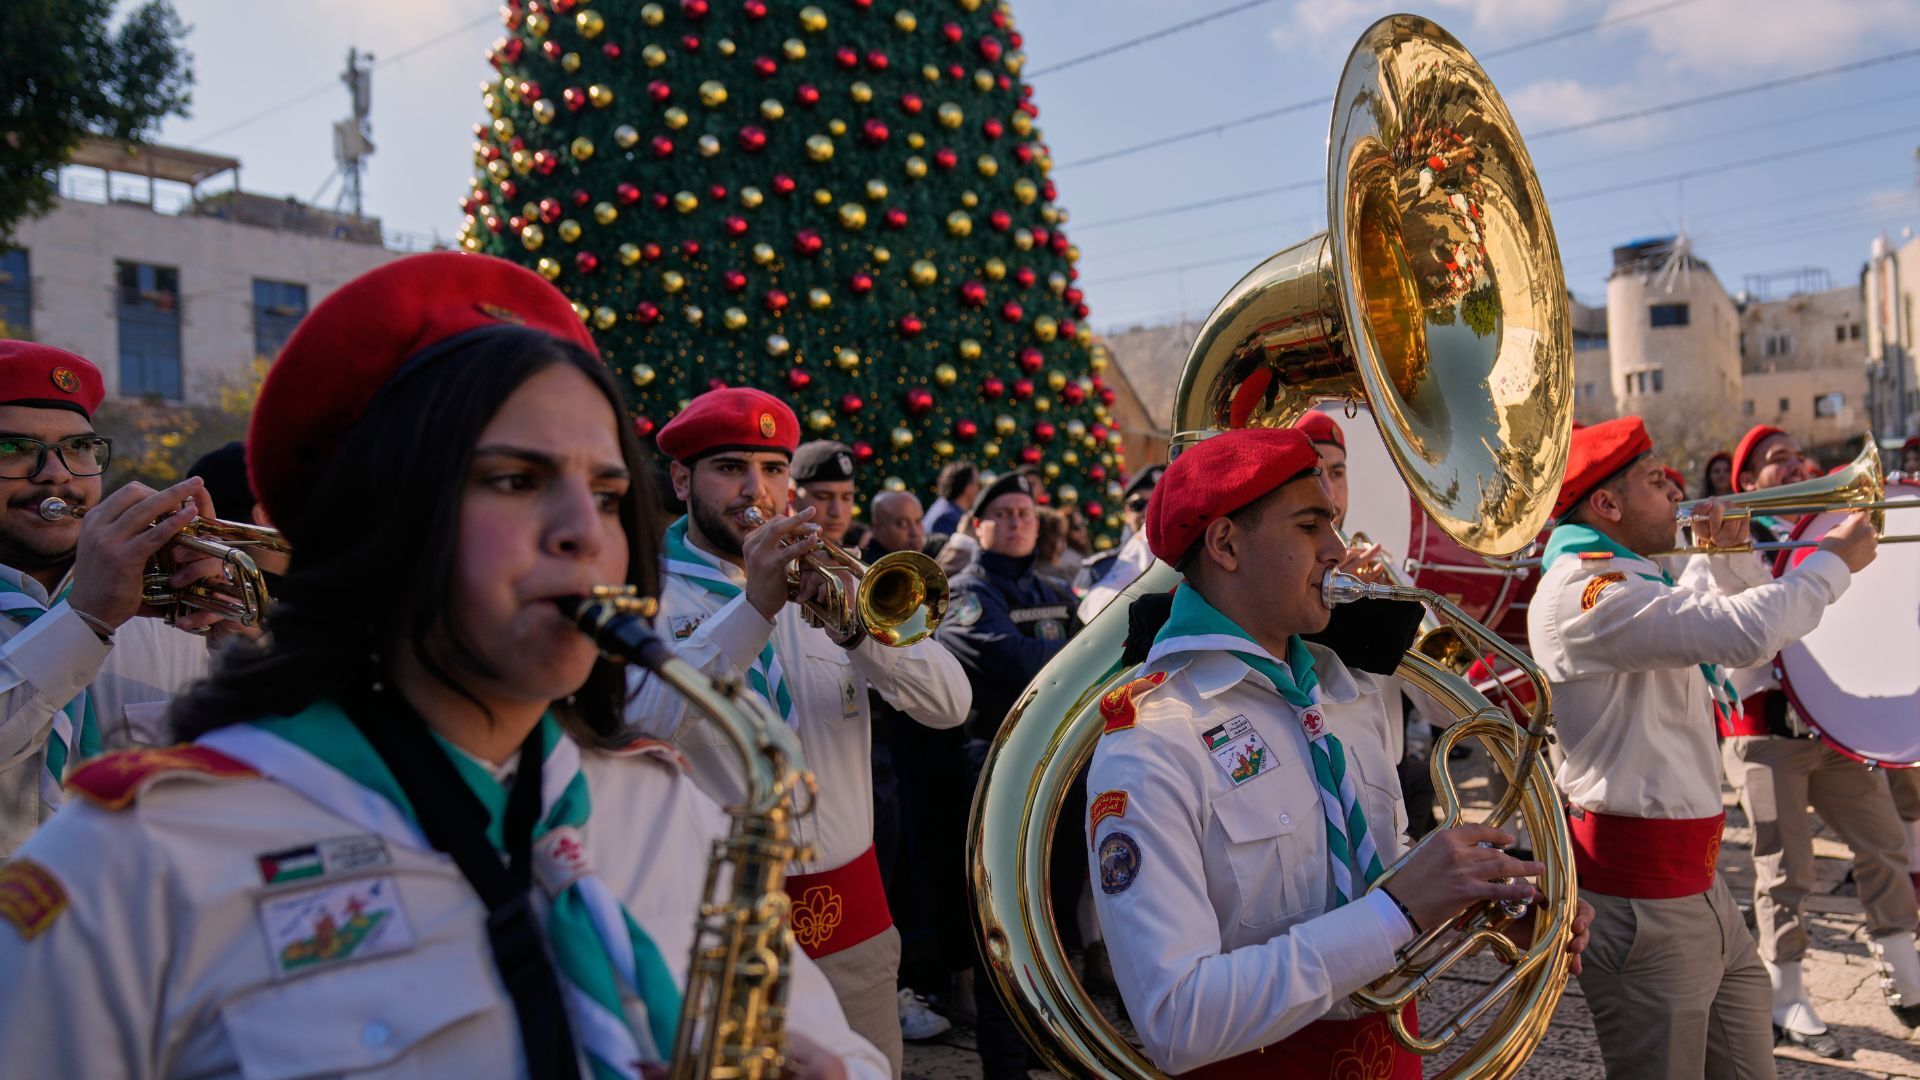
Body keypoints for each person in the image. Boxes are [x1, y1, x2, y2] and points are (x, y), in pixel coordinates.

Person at [0, 253, 885, 1077]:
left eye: (609, 493)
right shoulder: (136, 860)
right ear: (369, 520)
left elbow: (846, 1052)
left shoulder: (662, 810)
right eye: (515, 480)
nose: (586, 532)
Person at [1087, 427, 1590, 1075]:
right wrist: (1399, 909)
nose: (1339, 547)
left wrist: (1470, 912)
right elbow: (1175, 1020)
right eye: (1309, 526)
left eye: (1332, 520)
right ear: (1226, 544)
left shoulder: (1344, 691)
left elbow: (1367, 899)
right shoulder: (1153, 739)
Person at [1528, 415, 1881, 1078]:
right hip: (1642, 900)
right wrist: (1831, 561)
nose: (1677, 494)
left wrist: (1728, 558)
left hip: (1700, 883)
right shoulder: (1584, 590)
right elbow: (1740, 632)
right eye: (1655, 482)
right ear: (1607, 505)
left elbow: (1717, 626)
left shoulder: (1634, 581)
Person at [633, 386, 971, 1077]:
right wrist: (753, 609)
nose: (755, 490)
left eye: (773, 469)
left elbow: (950, 705)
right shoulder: (645, 596)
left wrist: (860, 632)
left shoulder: (834, 580)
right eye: (729, 467)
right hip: (715, 940)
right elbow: (646, 718)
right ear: (681, 480)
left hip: (854, 931)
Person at [1714, 424, 1920, 1050]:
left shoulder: (1830, 532)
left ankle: (1904, 970)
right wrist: (1733, 552)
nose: (1798, 465)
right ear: (1748, 482)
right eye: (1779, 460)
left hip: (1835, 729)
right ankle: (1787, 993)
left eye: (1799, 455)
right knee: (1785, 868)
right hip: (1766, 731)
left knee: (1884, 845)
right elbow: (1738, 625)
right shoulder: (1725, 543)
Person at [0, 341, 221, 856]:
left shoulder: (172, 603)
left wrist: (243, 651)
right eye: (13, 449)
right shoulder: (105, 608)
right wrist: (86, 620)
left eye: (78, 447)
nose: (56, 474)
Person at [934, 469, 1083, 1078]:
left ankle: (1046, 1044)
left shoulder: (1056, 589)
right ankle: (1005, 1062)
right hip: (994, 769)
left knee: (1057, 909)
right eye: (1004, 513)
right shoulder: (965, 591)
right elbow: (1005, 660)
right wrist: (1080, 658)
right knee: (1004, 921)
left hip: (1060, 768)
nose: (1019, 522)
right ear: (979, 526)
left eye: (1026, 512)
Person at [1075, 463, 1164, 622]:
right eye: (1138, 505)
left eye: (1157, 504)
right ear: (1126, 510)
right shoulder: (1098, 569)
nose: (1147, 512)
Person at [792, 439, 869, 551]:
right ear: (792, 496)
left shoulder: (868, 543)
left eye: (846, 497)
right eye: (823, 497)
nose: (837, 512)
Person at [860, 490, 925, 567]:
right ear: (878, 528)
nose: (915, 532)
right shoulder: (866, 567)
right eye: (903, 524)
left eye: (918, 521)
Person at [924, 460, 979, 537]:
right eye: (977, 483)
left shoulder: (943, 505)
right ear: (967, 487)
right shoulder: (947, 518)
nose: (979, 488)